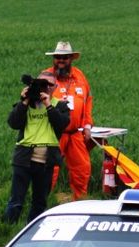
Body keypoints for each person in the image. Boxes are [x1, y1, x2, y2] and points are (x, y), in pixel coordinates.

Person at [4, 70, 70, 224]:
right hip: (23, 159)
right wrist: (24, 101)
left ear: (55, 87)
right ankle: (6, 230)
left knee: (39, 203)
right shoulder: (26, 104)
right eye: (41, 84)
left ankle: (31, 233)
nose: (45, 88)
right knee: (16, 201)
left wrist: (48, 104)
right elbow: (13, 123)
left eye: (49, 85)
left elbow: (61, 124)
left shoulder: (60, 105)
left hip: (46, 162)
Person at [45, 41, 94, 201]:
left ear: (71, 59)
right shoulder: (46, 77)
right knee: (50, 170)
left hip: (75, 133)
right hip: (53, 134)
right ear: (54, 59)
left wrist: (87, 125)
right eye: (58, 57)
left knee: (82, 169)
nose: (61, 60)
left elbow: (87, 102)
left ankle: (79, 202)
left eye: (65, 57)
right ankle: (43, 202)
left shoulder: (80, 77)